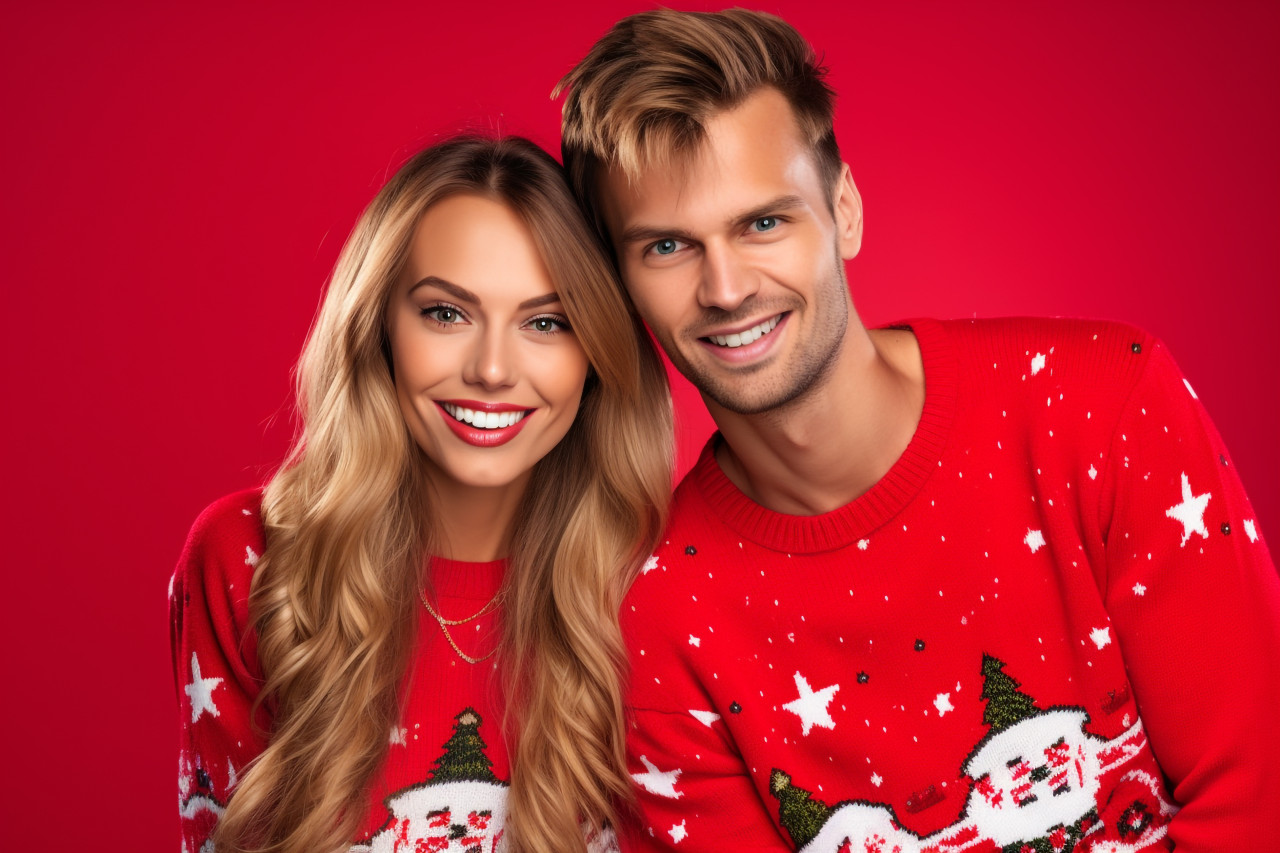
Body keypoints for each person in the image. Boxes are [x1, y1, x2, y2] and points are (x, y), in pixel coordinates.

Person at [555, 9, 1280, 852]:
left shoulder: (1104, 406)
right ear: (619, 284)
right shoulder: (654, 619)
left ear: (846, 212)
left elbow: (1259, 800)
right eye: (669, 246)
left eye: (764, 223)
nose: (724, 287)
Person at [169, 136, 672, 853]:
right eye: (446, 313)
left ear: (596, 355)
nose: (493, 369)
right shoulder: (248, 560)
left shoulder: (652, 581)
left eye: (546, 322)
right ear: (379, 326)